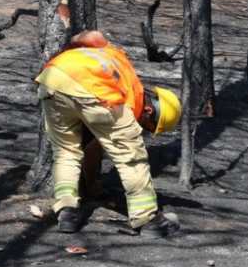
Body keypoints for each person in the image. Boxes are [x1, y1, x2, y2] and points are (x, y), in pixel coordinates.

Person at [36, 30, 182, 238]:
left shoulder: (115, 58)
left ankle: (67, 211)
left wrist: (71, 56)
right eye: (149, 126)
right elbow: (127, 156)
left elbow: (87, 36)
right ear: (150, 111)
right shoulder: (128, 99)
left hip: (53, 79)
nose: (144, 129)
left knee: (66, 151)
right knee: (131, 157)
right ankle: (147, 219)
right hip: (94, 90)